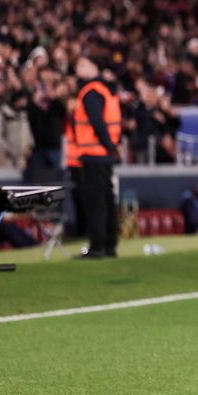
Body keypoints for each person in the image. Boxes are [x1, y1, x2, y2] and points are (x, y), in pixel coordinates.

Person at [66, 56, 122, 258]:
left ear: (94, 66)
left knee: (95, 203)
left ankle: (97, 246)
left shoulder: (90, 92)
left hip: (93, 155)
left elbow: (98, 123)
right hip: (104, 155)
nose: (78, 69)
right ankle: (109, 244)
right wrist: (112, 147)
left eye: (83, 65)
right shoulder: (106, 90)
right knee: (107, 200)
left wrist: (109, 146)